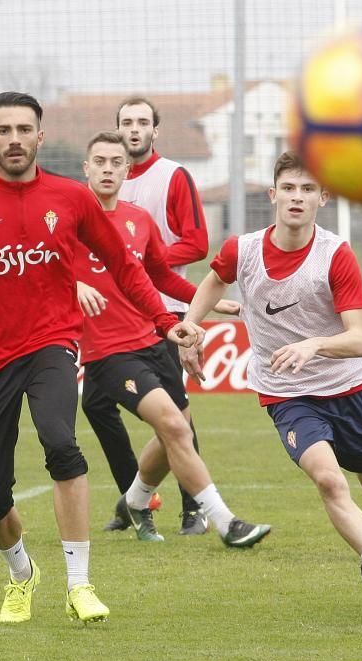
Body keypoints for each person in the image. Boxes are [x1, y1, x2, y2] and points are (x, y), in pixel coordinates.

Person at [0, 92, 203, 625]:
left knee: (62, 444)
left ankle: (79, 584)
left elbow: (127, 268)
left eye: (24, 130)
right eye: (4, 130)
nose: (14, 139)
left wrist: (164, 321)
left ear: (40, 137)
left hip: (53, 345)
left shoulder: (71, 197)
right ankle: (22, 574)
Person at [180, 151, 362, 615]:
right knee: (331, 482)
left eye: (307, 189)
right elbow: (214, 279)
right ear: (273, 195)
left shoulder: (336, 255)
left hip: (348, 388)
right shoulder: (244, 249)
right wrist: (192, 325)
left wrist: (313, 345)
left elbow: (358, 339)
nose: (297, 197)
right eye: (289, 188)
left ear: (323, 199)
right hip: (287, 394)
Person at [74, 131, 270, 548]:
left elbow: (159, 277)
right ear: (86, 168)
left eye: (116, 162)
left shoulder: (138, 220)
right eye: (100, 161)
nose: (108, 169)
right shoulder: (70, 220)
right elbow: (42, 268)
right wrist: (73, 284)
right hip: (109, 353)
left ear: (128, 170)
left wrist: (208, 302)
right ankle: (225, 521)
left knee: (174, 431)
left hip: (151, 339)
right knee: (175, 428)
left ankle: (136, 501)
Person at [107, 96, 212, 535]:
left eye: (142, 122)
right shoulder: (105, 177)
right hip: (109, 321)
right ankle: (130, 502)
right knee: (99, 409)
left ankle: (194, 509)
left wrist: (146, 260)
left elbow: (198, 241)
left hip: (162, 313)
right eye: (127, 122)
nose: (134, 129)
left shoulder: (172, 176)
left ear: (155, 130)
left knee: (175, 415)